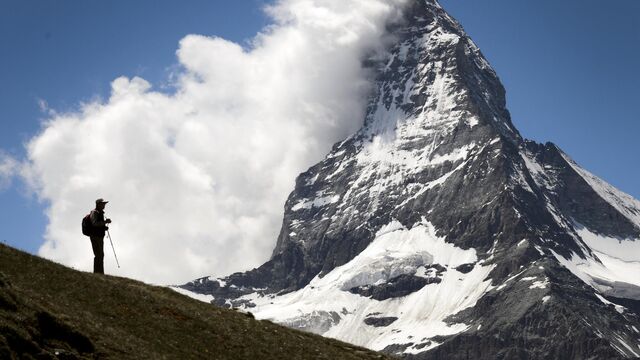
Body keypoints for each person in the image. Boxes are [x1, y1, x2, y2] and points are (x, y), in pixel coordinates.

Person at [89, 198, 112, 274]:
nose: (104, 205)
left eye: (104, 203)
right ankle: (97, 273)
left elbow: (98, 224)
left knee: (101, 255)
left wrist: (104, 227)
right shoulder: (94, 212)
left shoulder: (100, 213)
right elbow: (94, 223)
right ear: (98, 204)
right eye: (103, 203)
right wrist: (105, 222)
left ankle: (100, 273)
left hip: (99, 236)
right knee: (98, 254)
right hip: (95, 236)